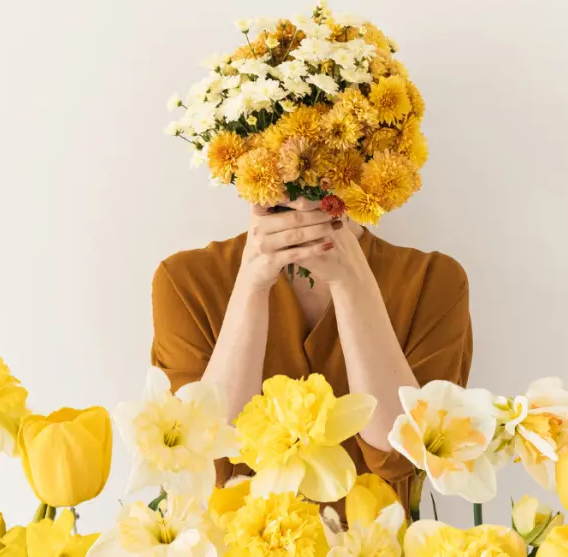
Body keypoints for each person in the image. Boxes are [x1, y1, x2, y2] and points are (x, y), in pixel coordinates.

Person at [150, 196, 472, 512]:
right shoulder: (185, 282)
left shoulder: (434, 280)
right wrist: (252, 285)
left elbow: (407, 459)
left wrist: (350, 280)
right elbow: (205, 464)